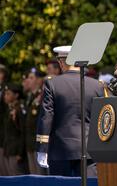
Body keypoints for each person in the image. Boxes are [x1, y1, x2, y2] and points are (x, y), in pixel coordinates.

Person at [36, 45, 104, 176]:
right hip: (89, 150)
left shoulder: (53, 84)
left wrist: (42, 147)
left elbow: (46, 117)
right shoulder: (97, 85)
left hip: (60, 151)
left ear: (61, 63)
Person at [23, 68, 46, 175]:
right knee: (33, 174)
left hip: (38, 141)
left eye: (32, 78)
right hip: (30, 141)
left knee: (40, 174)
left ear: (39, 80)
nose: (29, 80)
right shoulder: (31, 97)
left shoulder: (43, 96)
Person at [3, 83, 25, 175]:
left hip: (16, 150)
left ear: (16, 95)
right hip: (9, 149)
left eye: (8, 94)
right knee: (10, 177)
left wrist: (20, 152)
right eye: (5, 94)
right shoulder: (10, 109)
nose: (5, 96)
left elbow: (22, 131)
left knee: (17, 177)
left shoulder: (20, 109)